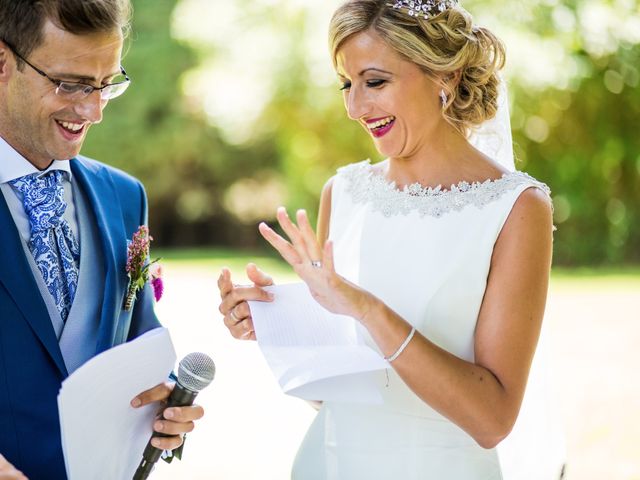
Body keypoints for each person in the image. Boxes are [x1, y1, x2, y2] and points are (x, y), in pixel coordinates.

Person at [218, 0, 565, 478]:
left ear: (445, 76)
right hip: (330, 463)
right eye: (347, 84)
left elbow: (491, 419)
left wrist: (367, 308)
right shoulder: (342, 193)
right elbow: (340, 391)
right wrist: (277, 327)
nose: (356, 107)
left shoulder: (515, 209)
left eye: (375, 82)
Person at [0, 1, 203, 478]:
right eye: (70, 84)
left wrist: (164, 400)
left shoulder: (125, 197)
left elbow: (137, 339)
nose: (92, 111)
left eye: (106, 84)